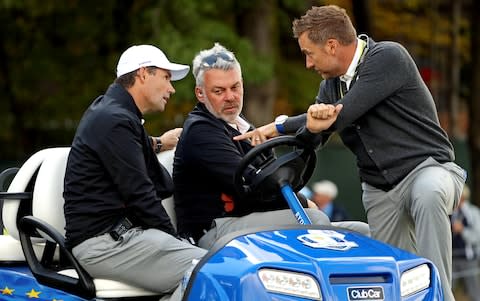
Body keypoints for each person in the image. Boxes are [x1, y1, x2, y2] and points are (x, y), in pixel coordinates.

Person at [234, 5, 466, 300]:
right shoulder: (329, 87)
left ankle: (442, 296)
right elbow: (312, 138)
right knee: (393, 272)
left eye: (309, 53)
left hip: (429, 169)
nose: (307, 63)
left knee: (429, 192)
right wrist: (305, 130)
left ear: (331, 45)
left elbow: (340, 115)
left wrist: (279, 127)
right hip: (381, 190)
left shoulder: (387, 57)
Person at [172, 43, 369, 250]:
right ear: (200, 94)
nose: (230, 97)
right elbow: (253, 188)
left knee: (362, 232)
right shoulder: (201, 131)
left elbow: (268, 177)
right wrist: (304, 202)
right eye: (219, 91)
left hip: (248, 221)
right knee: (314, 219)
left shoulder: (240, 126)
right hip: (213, 230)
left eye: (235, 87)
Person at [63, 44, 207, 300]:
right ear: (143, 74)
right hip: (105, 244)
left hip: (119, 236)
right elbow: (140, 195)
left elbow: (128, 147)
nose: (171, 88)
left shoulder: (111, 111)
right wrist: (176, 240)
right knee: (211, 271)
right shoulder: (114, 119)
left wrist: (160, 142)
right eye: (166, 77)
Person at [451, 185, 480, 301]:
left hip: (468, 259)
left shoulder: (473, 213)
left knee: (473, 291)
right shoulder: (451, 214)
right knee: (447, 288)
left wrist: (462, 230)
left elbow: (477, 236)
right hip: (452, 258)